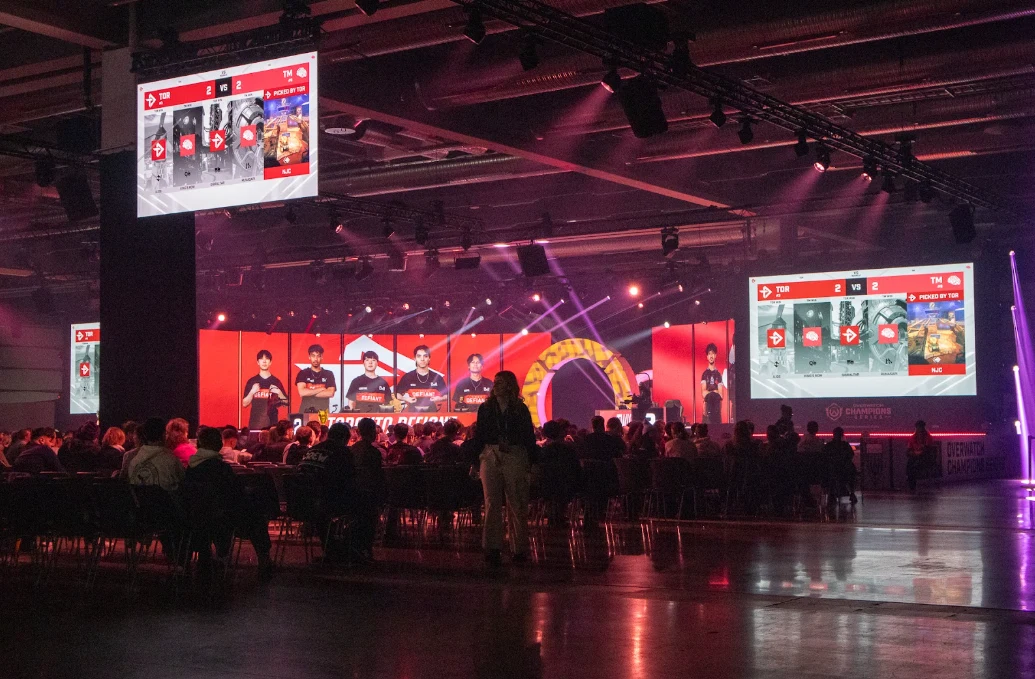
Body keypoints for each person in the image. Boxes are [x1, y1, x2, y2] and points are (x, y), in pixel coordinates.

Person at [184, 427, 274, 581]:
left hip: (196, 518)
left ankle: (210, 557)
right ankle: (264, 558)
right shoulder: (221, 468)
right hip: (222, 518)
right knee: (255, 515)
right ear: (218, 444)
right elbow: (235, 495)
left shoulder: (191, 467)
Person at [472, 370, 536, 568]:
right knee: (491, 502)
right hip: (490, 453)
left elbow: (528, 437)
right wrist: (475, 462)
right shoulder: (486, 408)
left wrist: (532, 463)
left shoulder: (520, 409)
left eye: (500, 382)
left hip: (515, 453)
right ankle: (492, 548)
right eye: (495, 382)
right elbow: (479, 436)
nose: (495, 386)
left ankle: (519, 548)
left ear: (509, 385)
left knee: (516, 501)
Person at [350, 418, 386, 561]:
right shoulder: (374, 453)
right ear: (372, 432)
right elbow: (377, 477)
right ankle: (366, 549)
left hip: (352, 494)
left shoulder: (352, 450)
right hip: (367, 495)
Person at [127, 417, 184, 492]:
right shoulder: (171, 461)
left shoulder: (134, 462)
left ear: (145, 435)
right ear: (163, 435)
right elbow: (183, 482)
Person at [242, 349, 288, 431]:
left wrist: (279, 393)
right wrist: (252, 392)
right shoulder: (252, 381)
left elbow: (286, 403)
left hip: (272, 426)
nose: (264, 361)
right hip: (255, 424)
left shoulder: (276, 381)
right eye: (261, 359)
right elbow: (244, 404)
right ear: (258, 362)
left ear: (270, 362)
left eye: (267, 359)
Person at [395, 344, 448, 412]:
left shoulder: (437, 377)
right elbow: (397, 394)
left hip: (432, 413)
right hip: (412, 413)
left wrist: (440, 399)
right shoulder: (408, 376)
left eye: (425, 356)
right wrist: (406, 399)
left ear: (429, 358)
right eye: (419, 356)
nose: (422, 359)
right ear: (415, 358)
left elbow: (447, 395)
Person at [296, 344, 337, 415]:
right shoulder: (303, 373)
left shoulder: (328, 374)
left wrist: (309, 392)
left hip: (323, 413)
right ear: (309, 357)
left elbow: (330, 393)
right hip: (305, 412)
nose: (315, 359)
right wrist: (321, 389)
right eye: (313, 356)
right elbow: (302, 392)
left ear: (321, 357)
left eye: (318, 356)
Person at [822, 427, 857, 503]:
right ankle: (852, 493)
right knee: (852, 471)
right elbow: (851, 455)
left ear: (833, 434)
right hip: (845, 469)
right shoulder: (845, 445)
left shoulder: (829, 445)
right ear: (842, 435)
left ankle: (831, 493)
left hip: (832, 469)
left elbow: (824, 457)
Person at [700, 342, 726, 425]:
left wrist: (710, 393)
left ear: (715, 355)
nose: (711, 356)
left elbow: (721, 395)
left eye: (713, 354)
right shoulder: (705, 374)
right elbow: (703, 393)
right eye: (709, 354)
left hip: (717, 410)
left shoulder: (718, 375)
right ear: (707, 356)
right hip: (707, 409)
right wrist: (715, 392)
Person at [906, 419, 934, 492]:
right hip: (915, 456)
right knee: (910, 465)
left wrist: (919, 453)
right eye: (918, 427)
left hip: (925, 457)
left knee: (915, 465)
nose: (919, 429)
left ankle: (912, 484)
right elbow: (908, 450)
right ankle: (911, 485)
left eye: (920, 427)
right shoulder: (912, 437)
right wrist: (913, 453)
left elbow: (927, 449)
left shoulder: (928, 437)